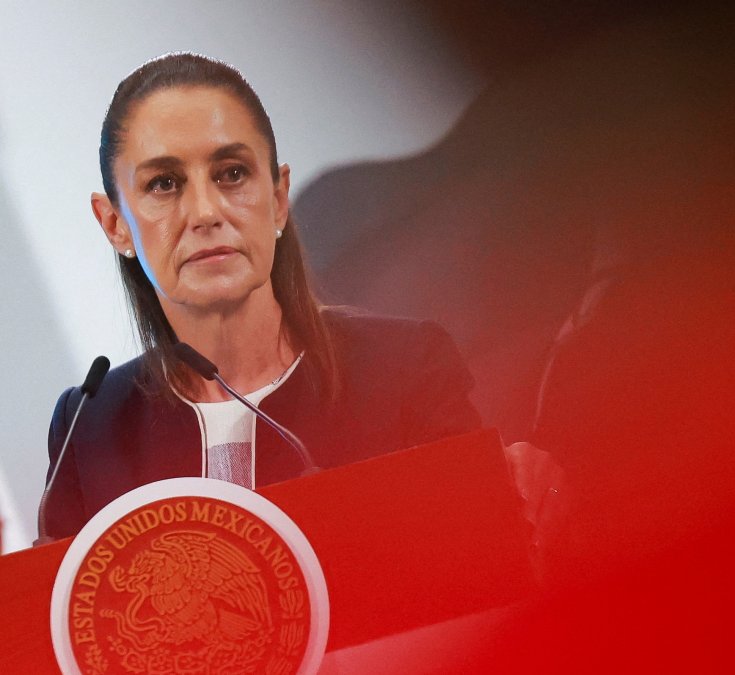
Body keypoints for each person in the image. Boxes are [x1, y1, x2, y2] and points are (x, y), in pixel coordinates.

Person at [40, 53, 482, 541]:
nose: (206, 212)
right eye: (164, 183)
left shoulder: (406, 369)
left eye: (231, 173)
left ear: (277, 198)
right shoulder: (88, 429)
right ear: (115, 225)